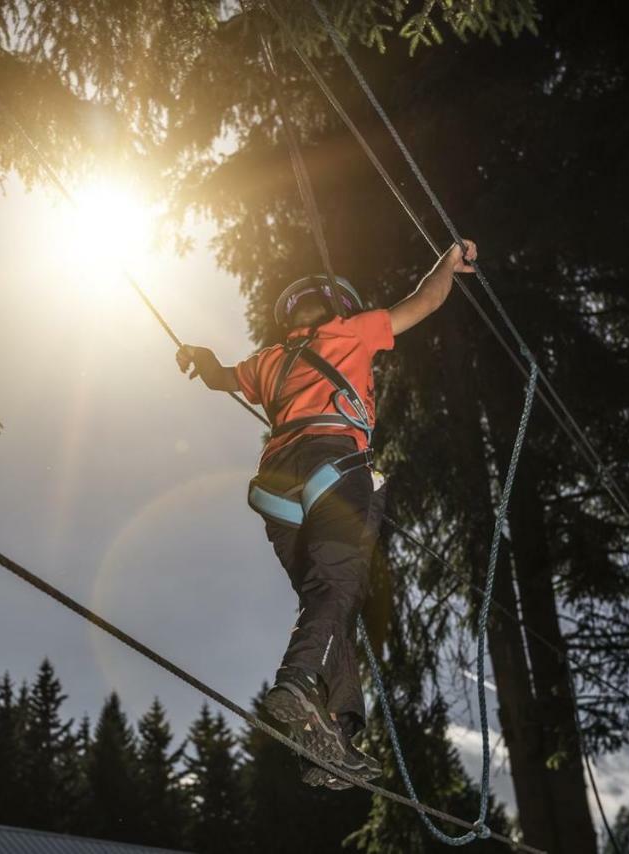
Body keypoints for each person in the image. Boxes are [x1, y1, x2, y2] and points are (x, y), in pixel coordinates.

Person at [175, 240, 477, 789]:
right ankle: (297, 682)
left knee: (330, 599)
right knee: (337, 591)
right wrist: (448, 260)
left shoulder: (268, 361)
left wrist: (199, 355)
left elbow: (221, 377)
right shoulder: (353, 331)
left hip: (276, 487)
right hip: (332, 464)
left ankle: (333, 733)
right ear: (337, 304)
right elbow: (427, 300)